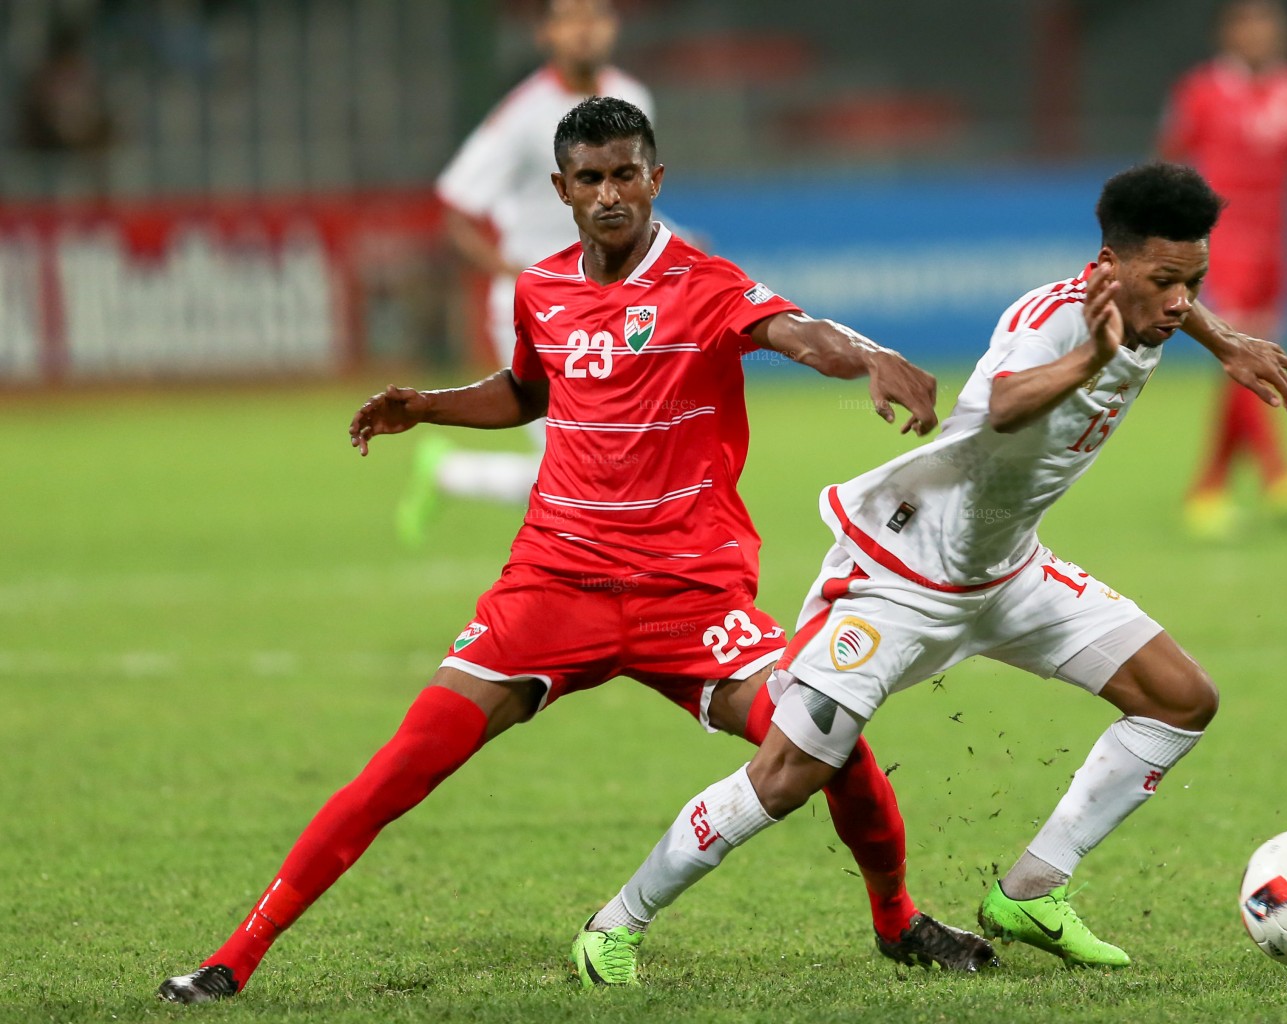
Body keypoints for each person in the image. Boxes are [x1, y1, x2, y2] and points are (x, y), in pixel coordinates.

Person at [156, 97, 1000, 1005]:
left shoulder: (705, 284)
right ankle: (233, 958)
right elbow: (527, 390)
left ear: (655, 179)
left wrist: (866, 356)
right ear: (560, 188)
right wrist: (429, 405)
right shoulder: (540, 288)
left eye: (625, 174)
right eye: (590, 178)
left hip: (689, 595)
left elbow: (799, 334)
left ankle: (897, 919)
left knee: (829, 738)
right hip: (553, 584)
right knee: (403, 765)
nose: (610, 194)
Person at [571, 163, 1287, 981]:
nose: (1178, 301)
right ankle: (614, 925)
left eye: (1191, 283)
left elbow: (1171, 305)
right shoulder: (1054, 323)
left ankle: (1030, 891)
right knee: (787, 774)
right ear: (1107, 265)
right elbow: (1005, 405)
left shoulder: (1149, 311)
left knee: (1180, 700)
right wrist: (1091, 357)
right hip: (898, 576)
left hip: (1006, 574)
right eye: (1165, 281)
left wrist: (1224, 338)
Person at [398, 0, 652, 546]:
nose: (584, 30)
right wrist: (514, 273)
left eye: (595, 17)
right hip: (540, 311)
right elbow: (457, 209)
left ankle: (450, 473)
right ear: (548, 33)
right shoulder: (524, 114)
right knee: (590, 470)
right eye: (571, 18)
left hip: (608, 306)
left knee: (607, 467)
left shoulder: (635, 99)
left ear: (611, 27)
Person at [1159, 0, 1287, 540]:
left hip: (1277, 248)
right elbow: (1165, 163)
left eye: (1270, 21)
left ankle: (1207, 491)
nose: (1261, 32)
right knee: (1240, 352)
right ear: (1227, 32)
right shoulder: (1200, 91)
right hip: (1219, 246)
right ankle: (1279, 476)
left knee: (1244, 362)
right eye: (1249, 22)